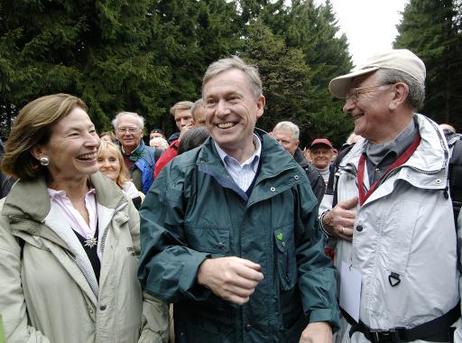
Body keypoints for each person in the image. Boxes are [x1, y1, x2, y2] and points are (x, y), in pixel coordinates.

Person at [138, 56, 339, 343]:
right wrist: (200, 270)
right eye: (211, 101)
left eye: (232, 98)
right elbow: (150, 260)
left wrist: (321, 318)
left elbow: (312, 255)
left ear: (259, 105)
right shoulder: (178, 176)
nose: (221, 111)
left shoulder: (291, 177)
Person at [0, 94, 168, 343]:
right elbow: (10, 321)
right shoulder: (9, 217)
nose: (92, 142)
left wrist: (150, 337)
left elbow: (153, 276)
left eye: (91, 131)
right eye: (75, 134)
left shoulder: (120, 204)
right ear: (39, 150)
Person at [319, 49, 459, 342]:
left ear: (397, 94)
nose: (347, 106)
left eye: (356, 94)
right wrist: (327, 222)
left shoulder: (453, 165)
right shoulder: (343, 164)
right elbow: (322, 215)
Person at [271, 121, 325, 203]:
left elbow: (311, 212)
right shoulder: (258, 166)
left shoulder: (312, 176)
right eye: (276, 140)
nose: (279, 145)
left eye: (285, 142)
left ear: (296, 144)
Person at [154, 99, 207, 177]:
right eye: (178, 120)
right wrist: (179, 143)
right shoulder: (174, 143)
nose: (182, 123)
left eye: (186, 118)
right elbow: (160, 173)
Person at [113, 111, 159, 194]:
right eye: (122, 129)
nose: (127, 133)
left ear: (141, 133)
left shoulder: (156, 155)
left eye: (132, 129)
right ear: (116, 134)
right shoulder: (110, 156)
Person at [96, 140, 145, 209]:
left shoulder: (129, 189)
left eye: (112, 160)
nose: (107, 165)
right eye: (100, 160)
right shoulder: (85, 193)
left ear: (120, 164)